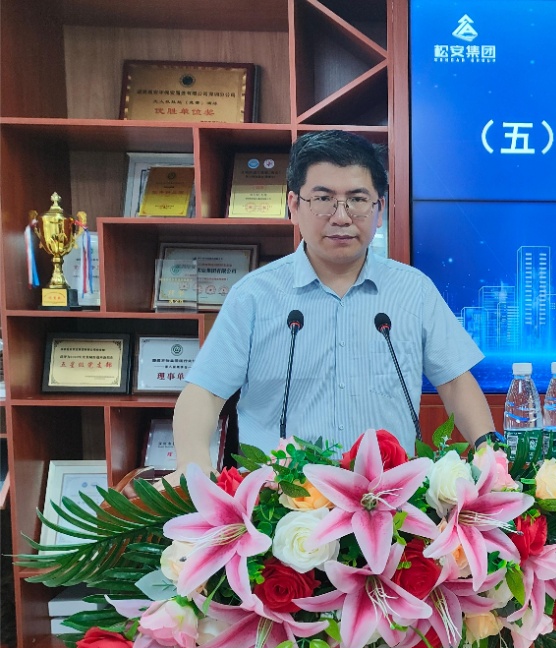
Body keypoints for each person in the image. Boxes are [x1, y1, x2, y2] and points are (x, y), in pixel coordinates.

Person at [166, 130, 497, 484]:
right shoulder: (253, 296)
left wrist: (490, 455)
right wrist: (192, 461)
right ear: (294, 206)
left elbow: (455, 383)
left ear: (379, 209)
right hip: (280, 502)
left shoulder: (413, 291)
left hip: (389, 500)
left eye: (357, 199)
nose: (341, 217)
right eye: (323, 199)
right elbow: (205, 391)